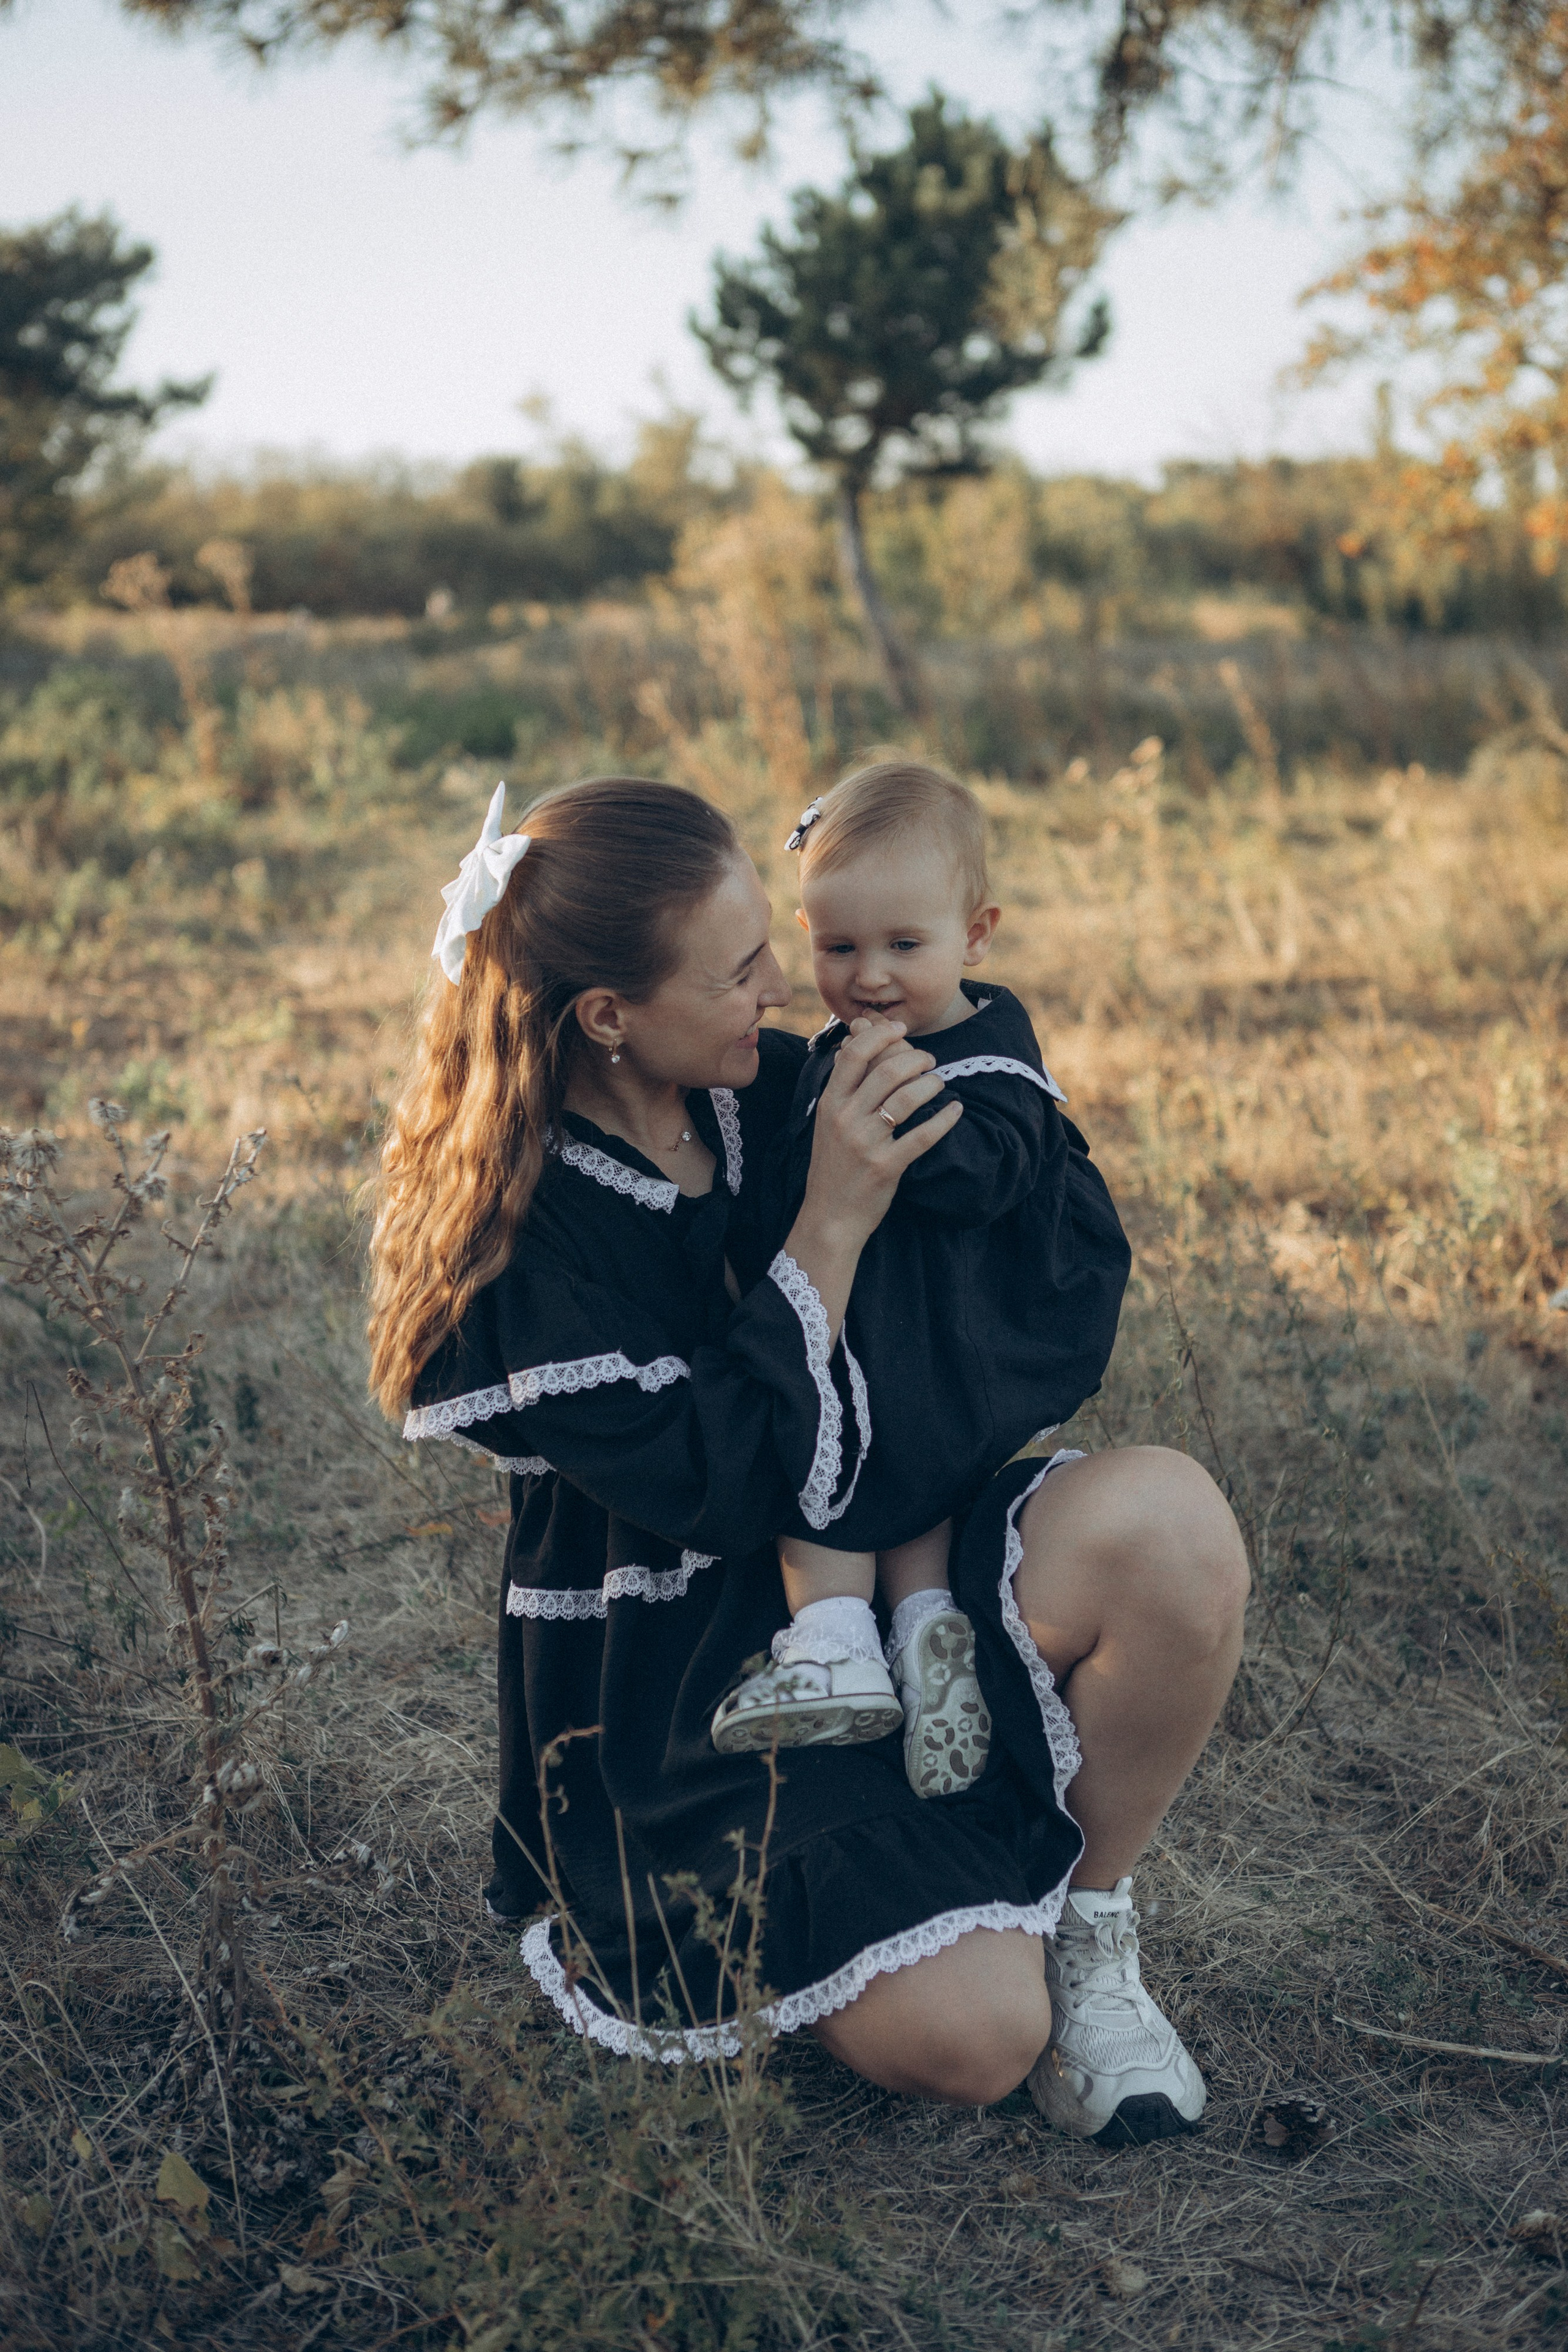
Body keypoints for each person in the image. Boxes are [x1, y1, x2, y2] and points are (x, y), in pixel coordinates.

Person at [371, 772, 1250, 2143]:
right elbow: (711, 1483)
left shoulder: (759, 1089)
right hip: (683, 1675)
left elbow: (1011, 1201)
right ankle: (942, 1894)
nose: (783, 992)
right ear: (607, 1016)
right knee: (975, 2038)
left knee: (1171, 1528)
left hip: (887, 1540)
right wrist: (828, 1226)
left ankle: (1089, 1921)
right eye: (737, 971)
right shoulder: (529, 1237)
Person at [712, 763, 1131, 1811]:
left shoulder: (988, 1050)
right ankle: (910, 1635)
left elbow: (994, 1165)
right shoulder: (853, 1043)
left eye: (907, 945)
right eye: (838, 947)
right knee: (876, 1457)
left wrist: (889, 1134)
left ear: (976, 935)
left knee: (835, 1447)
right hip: (884, 1310)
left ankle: (845, 1637)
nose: (872, 976)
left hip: (945, 1325)